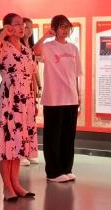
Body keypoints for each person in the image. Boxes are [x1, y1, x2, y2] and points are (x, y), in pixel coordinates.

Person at [0, 13, 37, 200]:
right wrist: (3, 34)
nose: (21, 27)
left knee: (18, 143)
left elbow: (31, 75)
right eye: (17, 24)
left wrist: (33, 100)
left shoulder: (26, 49)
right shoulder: (3, 46)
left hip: (25, 101)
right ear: (8, 26)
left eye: (22, 24)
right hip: (9, 99)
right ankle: (7, 186)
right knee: (6, 143)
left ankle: (16, 183)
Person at [35, 15, 81, 183]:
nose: (65, 30)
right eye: (62, 26)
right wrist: (45, 36)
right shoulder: (48, 46)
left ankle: (66, 168)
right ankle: (53, 172)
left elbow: (76, 74)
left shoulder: (73, 48)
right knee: (53, 136)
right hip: (53, 98)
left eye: (67, 26)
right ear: (55, 28)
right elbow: (34, 51)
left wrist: (78, 95)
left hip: (71, 97)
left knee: (68, 136)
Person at [20, 17, 40, 166]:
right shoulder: (17, 47)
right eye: (26, 27)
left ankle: (29, 151)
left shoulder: (31, 48)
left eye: (30, 27)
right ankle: (20, 153)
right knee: (20, 120)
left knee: (30, 120)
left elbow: (35, 69)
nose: (28, 30)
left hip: (30, 87)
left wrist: (39, 86)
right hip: (20, 87)